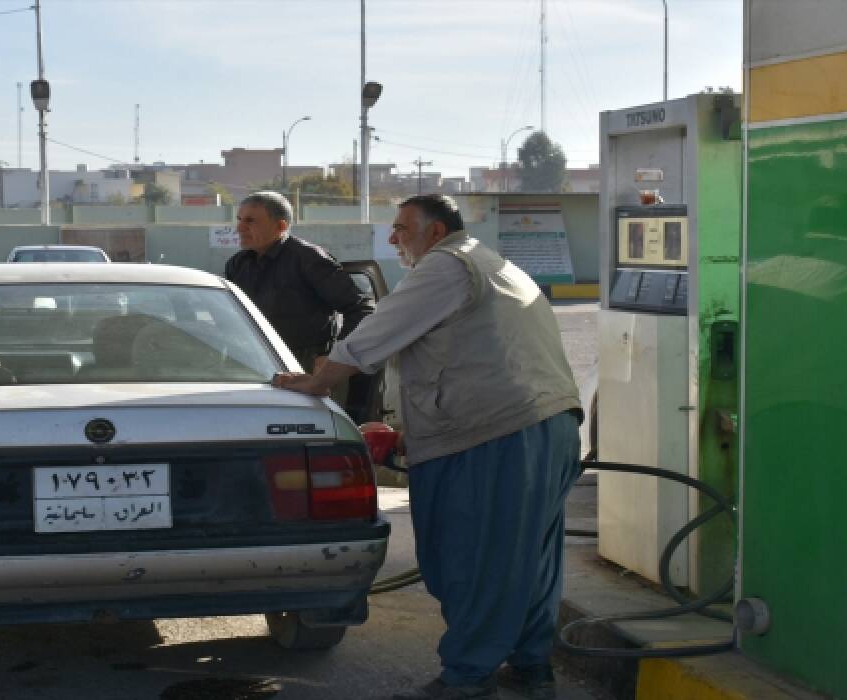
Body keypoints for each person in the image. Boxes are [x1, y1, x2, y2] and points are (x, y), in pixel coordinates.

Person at [273, 194, 581, 700]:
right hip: (547, 424)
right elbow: (469, 356)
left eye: (401, 228)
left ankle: (468, 678)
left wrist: (319, 380)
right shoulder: (491, 262)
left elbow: (378, 332)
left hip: (498, 433)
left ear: (435, 232)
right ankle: (530, 667)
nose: (393, 238)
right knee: (528, 558)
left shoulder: (446, 266)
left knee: (474, 558)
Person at [225, 191, 375, 373]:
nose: (240, 228)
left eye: (250, 221)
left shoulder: (308, 259)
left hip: (306, 365)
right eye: (239, 219)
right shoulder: (238, 263)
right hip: (253, 362)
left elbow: (360, 308)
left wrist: (335, 356)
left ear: (280, 226)